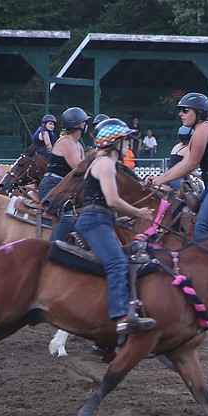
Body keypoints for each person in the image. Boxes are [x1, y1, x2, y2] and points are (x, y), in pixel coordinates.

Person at [75, 117, 156, 337]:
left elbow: (100, 202)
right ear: (115, 141)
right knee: (118, 263)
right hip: (95, 221)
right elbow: (111, 200)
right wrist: (138, 212)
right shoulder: (106, 163)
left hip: (100, 220)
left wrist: (116, 221)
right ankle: (121, 318)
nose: (130, 144)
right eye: (126, 140)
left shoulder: (103, 163)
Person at [149, 92, 208, 239]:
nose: (181, 114)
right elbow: (185, 162)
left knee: (202, 226)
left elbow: (191, 164)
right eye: (180, 110)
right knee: (190, 214)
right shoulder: (200, 129)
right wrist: (162, 177)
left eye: (185, 110)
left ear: (199, 113)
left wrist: (163, 179)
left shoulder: (203, 130)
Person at [37, 106, 89, 242]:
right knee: (67, 214)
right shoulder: (66, 142)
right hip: (52, 186)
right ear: (81, 125)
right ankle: (53, 247)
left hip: (66, 187)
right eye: (85, 122)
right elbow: (79, 168)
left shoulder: (78, 145)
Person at [166, 125, 194, 191]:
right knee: (189, 194)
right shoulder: (188, 149)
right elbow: (187, 169)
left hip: (169, 175)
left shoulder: (177, 146)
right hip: (176, 178)